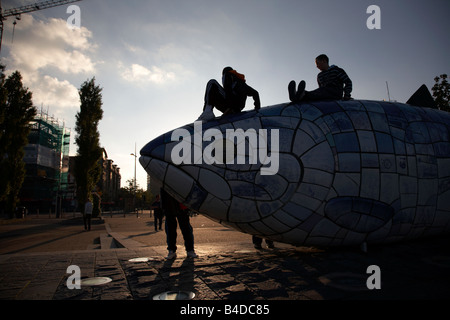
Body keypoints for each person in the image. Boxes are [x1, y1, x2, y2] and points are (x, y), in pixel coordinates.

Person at [197, 66, 261, 121]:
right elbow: (255, 93)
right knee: (217, 91)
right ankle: (228, 110)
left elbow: (228, 89)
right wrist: (257, 110)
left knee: (212, 83)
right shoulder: (244, 84)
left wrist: (230, 106)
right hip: (237, 109)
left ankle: (207, 112)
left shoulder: (228, 74)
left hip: (229, 104)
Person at [160, 189, 198, 259]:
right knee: (172, 230)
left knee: (185, 228)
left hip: (180, 205)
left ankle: (188, 250)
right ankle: (173, 250)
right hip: (171, 206)